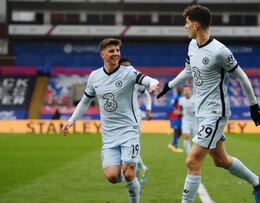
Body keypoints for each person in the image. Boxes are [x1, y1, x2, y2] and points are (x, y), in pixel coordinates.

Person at [156, 5, 260, 203]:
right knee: (221, 161)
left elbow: (241, 76)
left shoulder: (219, 51)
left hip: (216, 113)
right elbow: (188, 71)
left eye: (187, 22)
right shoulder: (192, 46)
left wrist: (254, 105)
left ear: (196, 25)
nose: (185, 26)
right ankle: (258, 182)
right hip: (201, 112)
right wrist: (169, 86)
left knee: (192, 160)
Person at [62, 38, 159, 203]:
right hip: (109, 134)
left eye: (117, 51)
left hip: (129, 128)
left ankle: (134, 197)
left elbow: (147, 79)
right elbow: (85, 101)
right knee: (112, 176)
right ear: (102, 54)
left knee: (129, 172)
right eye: (111, 51)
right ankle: (131, 181)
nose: (115, 54)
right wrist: (72, 120)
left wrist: (153, 84)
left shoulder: (128, 72)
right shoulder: (95, 77)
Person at [119, 57, 150, 185]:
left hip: (134, 117)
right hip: (121, 118)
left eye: (129, 66)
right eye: (125, 67)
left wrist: (148, 109)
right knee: (123, 145)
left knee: (131, 144)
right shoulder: (114, 81)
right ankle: (141, 168)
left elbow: (146, 94)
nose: (128, 69)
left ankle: (139, 168)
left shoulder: (135, 80)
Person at [178, 85, 196, 154]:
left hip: (195, 121)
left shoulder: (195, 99)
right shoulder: (181, 100)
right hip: (186, 120)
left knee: (196, 139)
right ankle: (189, 154)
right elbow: (180, 109)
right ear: (183, 92)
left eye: (188, 90)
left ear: (190, 91)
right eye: (185, 90)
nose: (186, 92)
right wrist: (178, 112)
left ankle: (196, 153)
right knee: (186, 136)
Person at [167, 87, 184, 153]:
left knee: (179, 131)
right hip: (175, 117)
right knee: (177, 131)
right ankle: (175, 146)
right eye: (179, 89)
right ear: (177, 90)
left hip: (179, 117)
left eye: (181, 89)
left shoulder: (181, 97)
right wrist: (175, 109)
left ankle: (172, 144)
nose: (181, 90)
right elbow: (170, 106)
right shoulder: (176, 97)